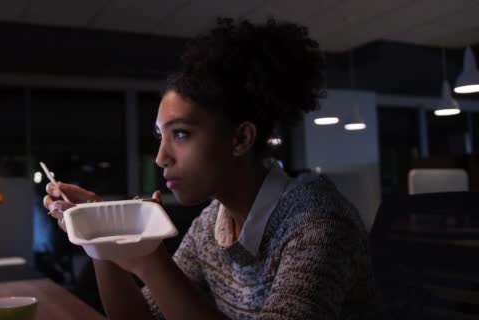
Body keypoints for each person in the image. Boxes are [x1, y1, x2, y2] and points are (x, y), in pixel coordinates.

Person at [44, 17, 380, 319]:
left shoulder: (316, 222)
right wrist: (95, 232)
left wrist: (150, 259)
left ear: (240, 139)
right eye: (161, 136)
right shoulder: (211, 225)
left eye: (181, 134)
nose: (161, 157)